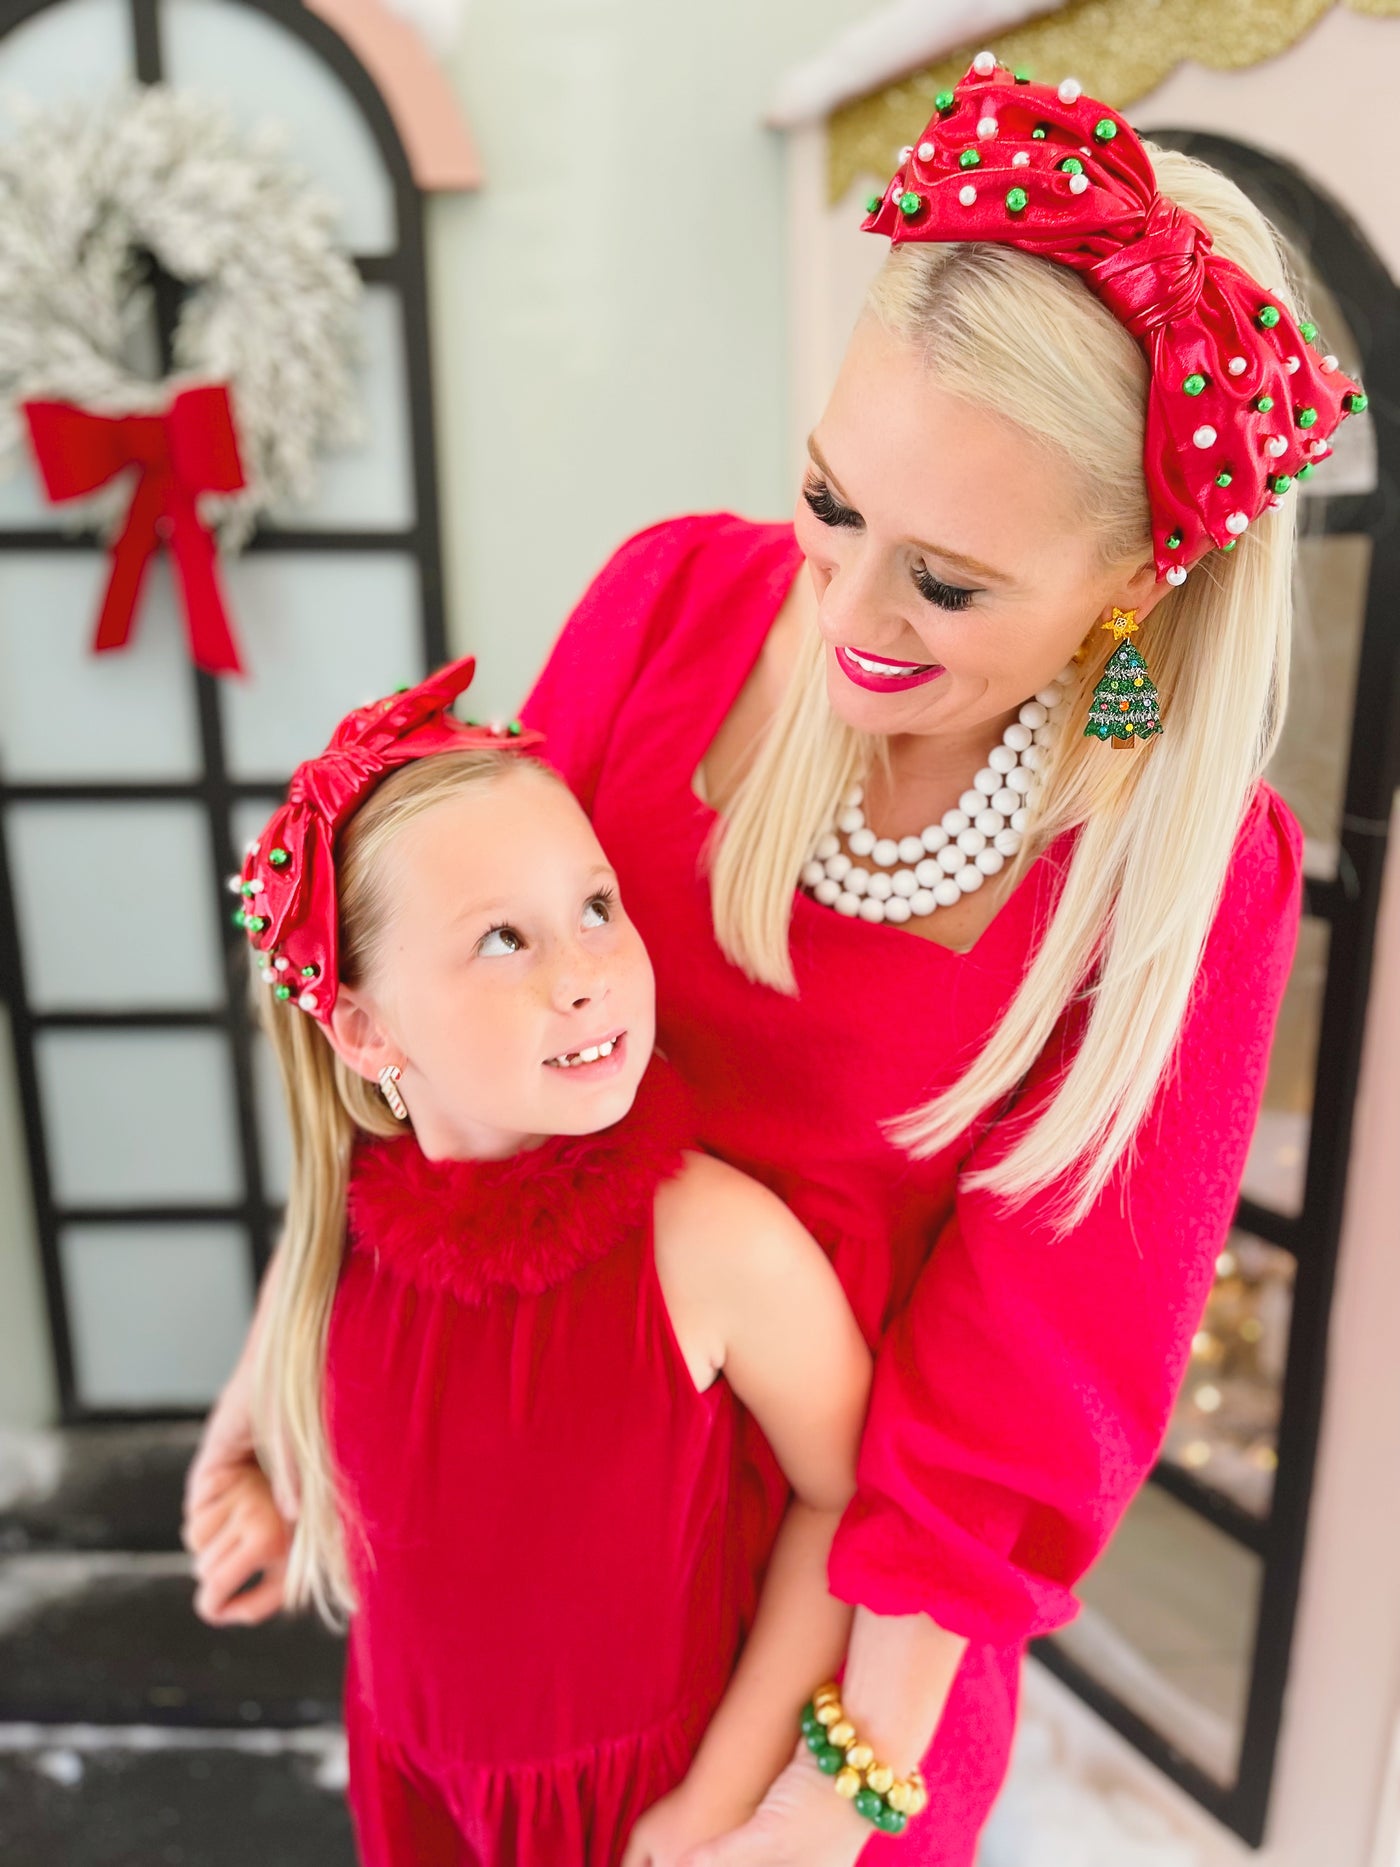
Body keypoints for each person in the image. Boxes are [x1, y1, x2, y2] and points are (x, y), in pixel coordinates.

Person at [188, 57, 1365, 1864]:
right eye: (828, 503)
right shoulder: (670, 606)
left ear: (1135, 582)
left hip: (822, 1672)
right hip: (494, 1567)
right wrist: (277, 1377)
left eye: (949, 585)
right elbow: (434, 1003)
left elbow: (1017, 1416)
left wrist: (823, 1793)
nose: (844, 616)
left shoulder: (1180, 889)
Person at [184, 658, 872, 1866]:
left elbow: (848, 1500)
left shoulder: (712, 1243)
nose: (583, 971)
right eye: (502, 939)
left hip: (643, 1808)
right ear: (365, 1028)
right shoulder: (348, 1243)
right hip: (412, 1777)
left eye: (596, 906)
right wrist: (275, 1483)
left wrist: (720, 1797)